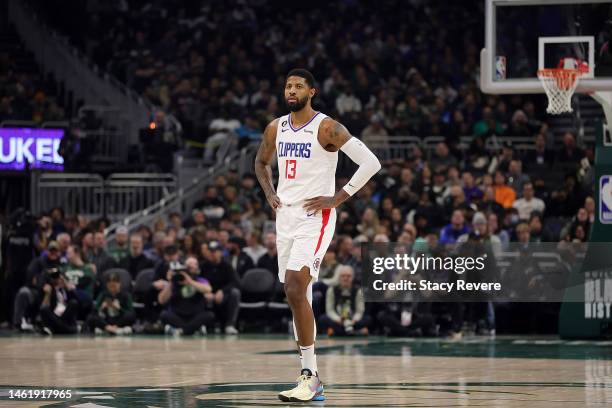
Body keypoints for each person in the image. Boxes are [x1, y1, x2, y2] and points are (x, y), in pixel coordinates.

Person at [255, 68, 380, 402]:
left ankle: (309, 375)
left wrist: (337, 198)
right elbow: (260, 163)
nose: (291, 91)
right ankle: (308, 376)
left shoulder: (327, 127)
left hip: (316, 216)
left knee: (295, 285)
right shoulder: (276, 127)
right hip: (286, 217)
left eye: (298, 86)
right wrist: (270, 193)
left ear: (312, 92)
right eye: (287, 86)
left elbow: (370, 163)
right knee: (298, 295)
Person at [158, 256, 214, 336]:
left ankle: (181, 330)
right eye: (189, 264)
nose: (191, 267)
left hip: (195, 315)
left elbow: (208, 289)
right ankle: (192, 329)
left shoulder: (199, 280)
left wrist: (190, 281)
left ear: (197, 267)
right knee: (164, 315)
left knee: (209, 315)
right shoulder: (175, 281)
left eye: (194, 264)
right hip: (178, 315)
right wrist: (171, 281)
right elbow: (161, 300)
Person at [200, 241, 241, 334]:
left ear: (221, 252)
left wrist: (222, 291)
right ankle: (202, 325)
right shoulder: (203, 266)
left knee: (235, 293)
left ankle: (230, 325)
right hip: (208, 294)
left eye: (215, 251)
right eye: (211, 251)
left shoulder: (227, 266)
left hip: (223, 295)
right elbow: (199, 280)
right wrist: (205, 292)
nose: (213, 253)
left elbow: (236, 282)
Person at [317, 265, 370, 336]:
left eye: (348, 276)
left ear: (352, 277)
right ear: (339, 277)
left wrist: (354, 320)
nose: (345, 278)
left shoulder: (358, 291)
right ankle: (356, 332)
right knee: (322, 319)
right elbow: (330, 310)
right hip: (338, 320)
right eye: (343, 276)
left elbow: (359, 311)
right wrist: (339, 320)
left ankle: (336, 332)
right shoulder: (331, 290)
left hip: (353, 320)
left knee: (368, 319)